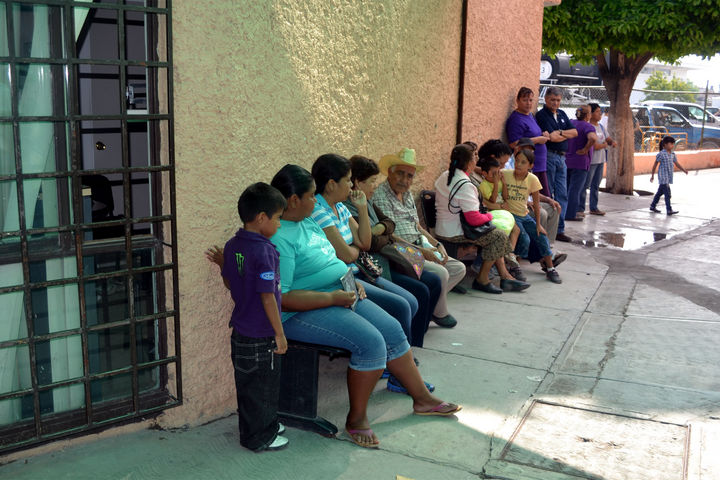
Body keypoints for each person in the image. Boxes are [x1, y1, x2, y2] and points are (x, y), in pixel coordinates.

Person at [271, 164, 461, 448]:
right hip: (301, 310)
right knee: (371, 343)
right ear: (294, 200)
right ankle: (356, 419)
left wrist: (350, 282)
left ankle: (421, 398)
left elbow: (333, 259)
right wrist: (332, 298)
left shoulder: (307, 221)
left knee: (392, 329)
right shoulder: (279, 237)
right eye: (311, 196)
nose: (315, 201)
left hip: (340, 292)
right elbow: (282, 298)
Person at [309, 153, 433, 395]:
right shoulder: (319, 210)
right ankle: (399, 374)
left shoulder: (341, 207)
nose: (351, 185)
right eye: (347, 180)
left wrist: (362, 208)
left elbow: (364, 243)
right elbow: (347, 254)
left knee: (410, 301)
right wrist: (354, 249)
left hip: (361, 273)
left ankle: (396, 363)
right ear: (331, 184)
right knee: (401, 306)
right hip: (346, 280)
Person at [205, 182, 289, 452]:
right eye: (278, 218)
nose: (279, 225)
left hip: (241, 331)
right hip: (262, 334)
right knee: (264, 386)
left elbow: (231, 282)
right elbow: (267, 296)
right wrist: (279, 333)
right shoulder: (265, 251)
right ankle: (259, 437)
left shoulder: (233, 245)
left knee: (250, 386)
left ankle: (266, 424)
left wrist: (223, 264)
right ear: (262, 217)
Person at [344, 154, 442, 350]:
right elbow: (370, 243)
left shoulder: (367, 201)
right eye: (372, 181)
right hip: (373, 267)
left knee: (434, 281)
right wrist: (382, 233)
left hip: (387, 259)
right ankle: (406, 346)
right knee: (418, 292)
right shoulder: (352, 206)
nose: (374, 186)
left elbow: (390, 223)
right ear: (358, 182)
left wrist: (379, 229)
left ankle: (415, 339)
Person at [372, 148, 465, 328]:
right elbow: (389, 234)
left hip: (420, 244)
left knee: (458, 268)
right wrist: (421, 251)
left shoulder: (406, 194)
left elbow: (418, 227)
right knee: (441, 273)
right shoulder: (381, 195)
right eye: (400, 173)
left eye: (409, 176)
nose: (405, 180)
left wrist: (437, 244)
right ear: (390, 172)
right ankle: (439, 312)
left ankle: (429, 307)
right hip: (399, 250)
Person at [434, 144, 530, 294]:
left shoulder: (445, 175)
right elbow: (474, 219)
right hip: (455, 232)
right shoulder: (465, 184)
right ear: (469, 163)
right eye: (475, 157)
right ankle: (482, 280)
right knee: (499, 236)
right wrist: (490, 216)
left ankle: (505, 276)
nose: (477, 160)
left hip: (443, 226)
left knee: (495, 232)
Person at [502, 149, 564, 283]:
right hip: (510, 215)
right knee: (524, 238)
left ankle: (550, 268)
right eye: (517, 161)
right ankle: (515, 268)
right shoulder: (505, 174)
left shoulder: (533, 179)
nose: (518, 164)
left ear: (530, 166)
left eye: (523, 162)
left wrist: (538, 224)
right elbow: (488, 171)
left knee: (541, 236)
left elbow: (536, 204)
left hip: (524, 215)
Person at [535, 86, 578, 243]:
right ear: (546, 99)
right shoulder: (542, 115)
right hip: (550, 156)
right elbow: (551, 138)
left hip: (562, 158)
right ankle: (550, 228)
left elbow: (574, 133)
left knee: (562, 193)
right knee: (549, 193)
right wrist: (564, 134)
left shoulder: (562, 114)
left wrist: (560, 133)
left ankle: (560, 229)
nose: (555, 103)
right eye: (552, 100)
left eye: (558, 100)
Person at [505, 87, 551, 195]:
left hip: (540, 164)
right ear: (517, 101)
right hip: (529, 166)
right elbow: (514, 143)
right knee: (533, 196)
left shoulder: (530, 115)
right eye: (525, 100)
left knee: (544, 197)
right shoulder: (516, 119)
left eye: (530, 100)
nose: (528, 103)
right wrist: (538, 140)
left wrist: (544, 134)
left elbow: (533, 132)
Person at [579, 103, 615, 216]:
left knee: (596, 185)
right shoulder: (589, 127)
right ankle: (580, 208)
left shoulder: (601, 127)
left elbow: (607, 138)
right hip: (591, 161)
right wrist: (604, 145)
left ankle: (594, 207)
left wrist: (611, 142)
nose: (600, 114)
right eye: (598, 112)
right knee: (585, 185)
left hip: (600, 160)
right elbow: (594, 146)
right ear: (591, 113)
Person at [565, 105, 598, 222]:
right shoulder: (588, 126)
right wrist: (585, 149)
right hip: (580, 163)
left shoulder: (570, 123)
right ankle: (571, 214)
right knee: (575, 189)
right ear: (588, 115)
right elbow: (593, 138)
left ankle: (564, 212)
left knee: (566, 188)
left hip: (567, 160)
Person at [650, 136, 688, 215]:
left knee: (660, 192)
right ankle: (669, 209)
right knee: (667, 194)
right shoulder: (661, 154)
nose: (672, 145)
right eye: (671, 144)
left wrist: (684, 170)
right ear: (665, 144)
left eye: (673, 144)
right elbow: (655, 165)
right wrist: (652, 175)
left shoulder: (673, 154)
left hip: (668, 176)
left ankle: (653, 206)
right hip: (663, 177)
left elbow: (677, 164)